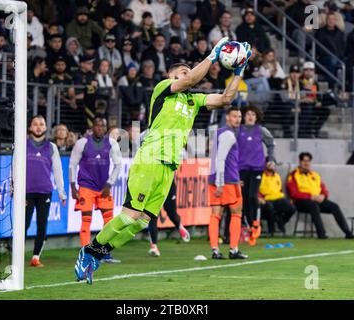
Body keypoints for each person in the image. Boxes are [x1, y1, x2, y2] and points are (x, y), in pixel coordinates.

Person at [75, 37, 251, 284]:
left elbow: (225, 99)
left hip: (169, 166)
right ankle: (90, 250)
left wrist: (239, 71)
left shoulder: (193, 100)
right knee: (129, 216)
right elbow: (190, 80)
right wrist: (212, 56)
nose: (188, 75)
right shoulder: (162, 90)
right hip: (150, 159)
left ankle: (98, 254)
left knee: (141, 223)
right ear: (171, 75)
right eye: (183, 72)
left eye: (189, 71)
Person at [69, 117, 122, 263]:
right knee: (86, 220)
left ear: (106, 128)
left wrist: (109, 184)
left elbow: (118, 165)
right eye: (97, 125)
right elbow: (72, 165)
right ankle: (86, 254)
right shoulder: (82, 143)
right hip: (86, 187)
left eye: (102, 126)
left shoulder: (111, 144)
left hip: (103, 188)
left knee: (109, 222)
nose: (99, 128)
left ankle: (104, 253)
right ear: (92, 127)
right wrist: (73, 187)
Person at [25, 116, 67, 267]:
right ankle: (16, 254)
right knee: (24, 224)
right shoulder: (23, 144)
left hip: (44, 192)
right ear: (30, 127)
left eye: (41, 124)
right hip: (26, 192)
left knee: (42, 224)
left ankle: (36, 257)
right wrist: (14, 187)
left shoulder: (51, 147)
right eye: (35, 124)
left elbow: (58, 171)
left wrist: (61, 192)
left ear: (45, 128)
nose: (38, 127)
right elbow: (14, 166)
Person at [286, 152, 354, 239]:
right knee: (314, 205)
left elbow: (324, 189)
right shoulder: (293, 175)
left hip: (316, 200)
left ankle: (348, 233)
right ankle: (321, 234)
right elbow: (294, 193)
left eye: (308, 161)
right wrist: (310, 197)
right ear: (300, 162)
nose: (306, 163)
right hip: (301, 202)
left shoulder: (315, 175)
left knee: (334, 206)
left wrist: (323, 196)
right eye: (304, 161)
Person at [208, 107, 248, 260]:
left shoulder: (218, 132)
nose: (238, 119)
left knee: (215, 215)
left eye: (239, 116)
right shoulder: (229, 135)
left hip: (216, 177)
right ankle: (233, 249)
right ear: (227, 118)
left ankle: (215, 250)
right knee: (236, 213)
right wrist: (220, 183)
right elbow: (221, 159)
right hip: (227, 180)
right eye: (234, 116)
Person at [239, 105, 276, 246]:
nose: (250, 116)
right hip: (241, 169)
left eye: (253, 115)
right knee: (243, 198)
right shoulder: (238, 131)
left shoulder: (260, 130)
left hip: (256, 169)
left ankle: (255, 222)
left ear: (256, 117)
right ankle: (246, 225)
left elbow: (271, 143)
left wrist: (271, 159)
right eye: (248, 114)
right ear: (244, 116)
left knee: (252, 196)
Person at [147, 179, 191, 257]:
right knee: (152, 215)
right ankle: (154, 246)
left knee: (172, 214)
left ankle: (179, 226)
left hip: (168, 184)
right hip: (154, 184)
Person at [258, 160, 296, 236]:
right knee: (269, 208)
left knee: (291, 208)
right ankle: (271, 231)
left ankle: (281, 221)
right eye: (269, 163)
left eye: (273, 164)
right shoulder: (260, 176)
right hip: (266, 199)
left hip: (278, 198)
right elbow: (256, 190)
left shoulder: (277, 176)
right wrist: (259, 198)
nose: (271, 165)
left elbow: (280, 189)